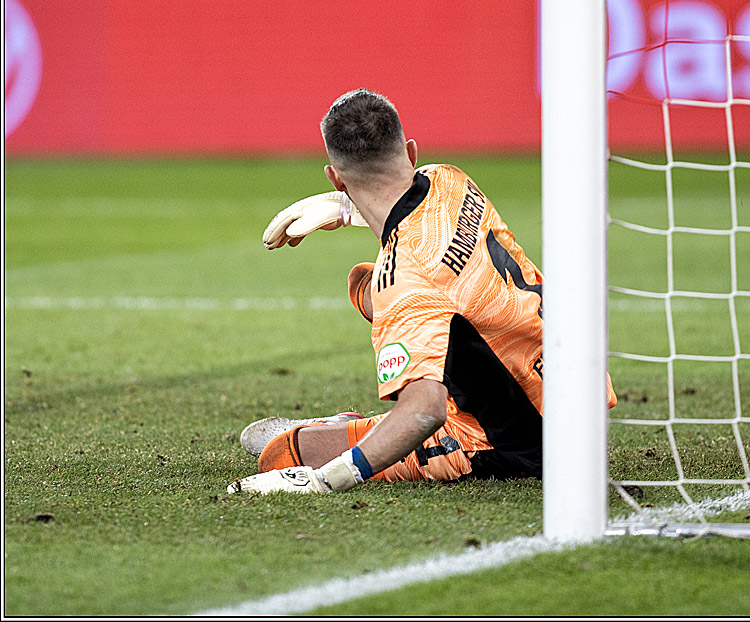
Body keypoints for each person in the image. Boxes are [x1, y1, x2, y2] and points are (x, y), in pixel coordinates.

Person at [228, 88, 616, 495]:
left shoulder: (405, 279)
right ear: (411, 152)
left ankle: (347, 429)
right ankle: (368, 427)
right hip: (579, 395)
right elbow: (410, 216)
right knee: (366, 287)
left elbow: (424, 410)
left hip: (525, 444)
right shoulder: (449, 178)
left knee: (281, 449)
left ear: (335, 176)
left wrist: (329, 479)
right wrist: (346, 209)